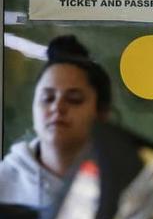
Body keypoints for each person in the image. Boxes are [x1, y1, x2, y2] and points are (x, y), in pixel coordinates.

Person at [0, 36, 112, 207]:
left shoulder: (127, 185)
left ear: (101, 113)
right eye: (47, 98)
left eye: (74, 99)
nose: (57, 107)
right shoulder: (4, 181)